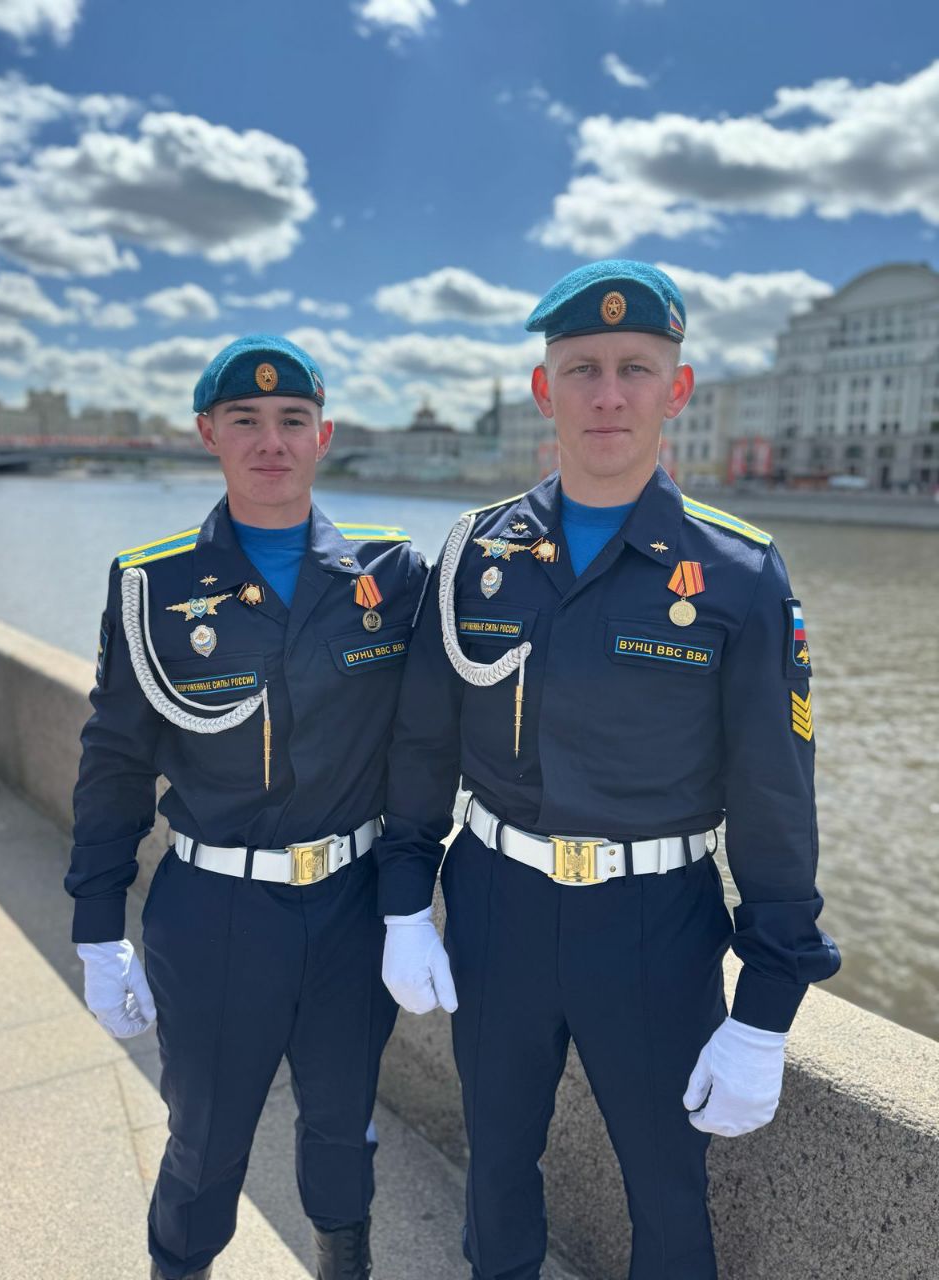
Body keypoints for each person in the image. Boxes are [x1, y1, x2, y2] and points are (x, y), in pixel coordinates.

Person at [376, 262, 840, 1280]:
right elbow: (422, 745)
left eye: (636, 368)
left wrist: (768, 1005)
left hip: (653, 924)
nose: (608, 394)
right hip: (494, 905)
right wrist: (404, 898)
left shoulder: (739, 574)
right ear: (545, 389)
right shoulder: (474, 555)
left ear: (678, 390)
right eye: (582, 368)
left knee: (668, 1192)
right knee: (496, 1166)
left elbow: (775, 799)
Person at [65, 335, 429, 1280]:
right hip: (218, 913)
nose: (272, 441)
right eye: (246, 421)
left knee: (344, 1130)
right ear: (208, 433)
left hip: (352, 906)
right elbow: (114, 763)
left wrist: (412, 902)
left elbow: (430, 741)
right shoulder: (153, 583)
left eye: (293, 420)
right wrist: (97, 926)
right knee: (204, 1143)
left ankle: (344, 1263)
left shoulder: (391, 575)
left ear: (323, 436)